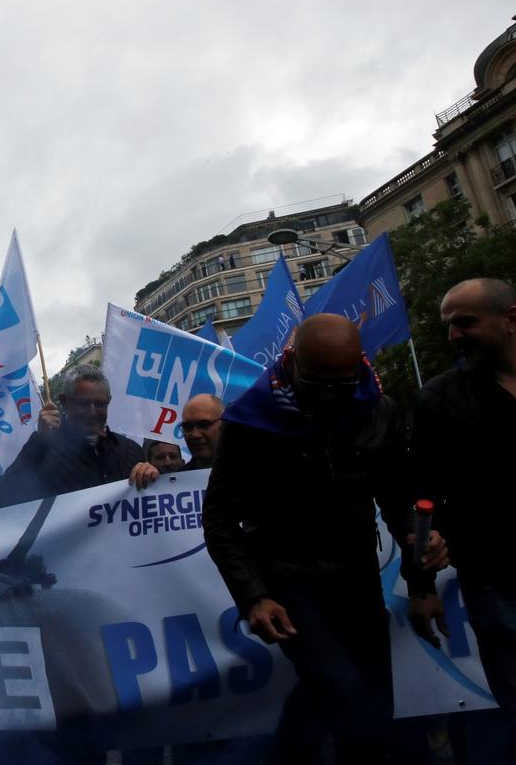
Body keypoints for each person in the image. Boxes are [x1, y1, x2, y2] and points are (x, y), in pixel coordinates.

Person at [202, 314, 448, 764]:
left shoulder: (379, 409)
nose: (331, 397)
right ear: (292, 363)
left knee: (367, 699)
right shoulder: (250, 420)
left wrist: (421, 580)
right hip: (289, 579)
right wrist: (254, 595)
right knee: (340, 687)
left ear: (358, 365)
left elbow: (398, 501)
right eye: (317, 384)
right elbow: (219, 520)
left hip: (356, 575)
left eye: (342, 383)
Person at [410, 278, 516, 729]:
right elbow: (422, 494)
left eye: (465, 323)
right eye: (448, 325)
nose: (454, 335)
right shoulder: (439, 397)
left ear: (510, 319)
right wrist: (422, 581)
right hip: (498, 580)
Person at [0, 365, 144, 506]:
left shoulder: (130, 451)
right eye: (83, 404)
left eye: (100, 404)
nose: (92, 412)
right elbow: (6, 495)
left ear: (109, 401)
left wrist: (152, 476)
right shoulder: (44, 451)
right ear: (64, 402)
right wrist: (39, 441)